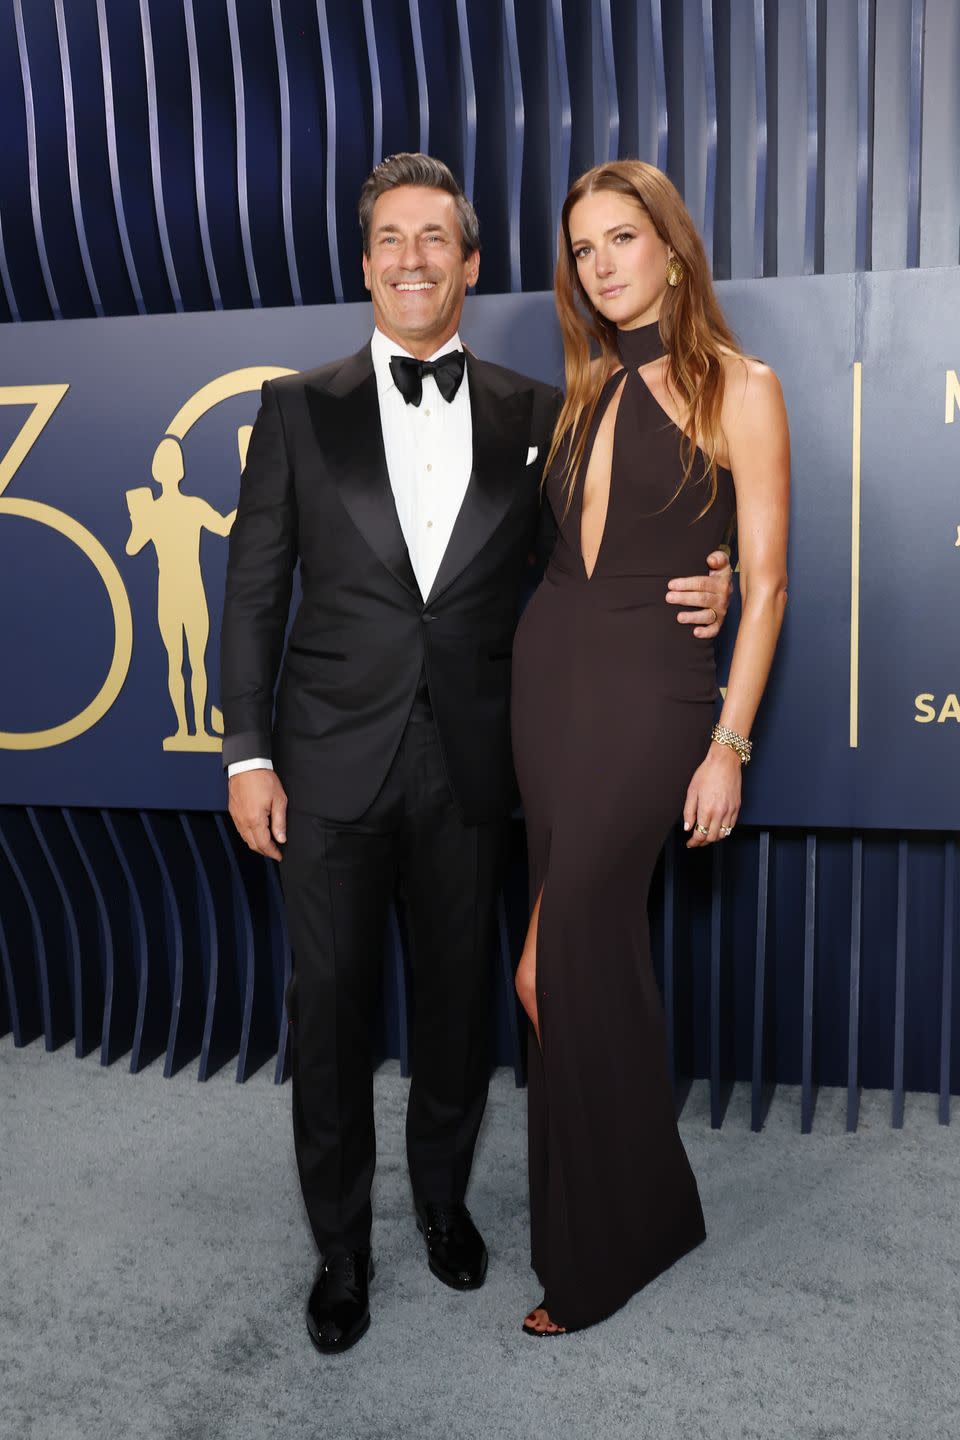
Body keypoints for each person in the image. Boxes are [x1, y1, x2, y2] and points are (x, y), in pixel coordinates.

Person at [220, 153, 734, 1355]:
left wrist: (717, 576)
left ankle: (444, 1207)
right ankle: (341, 1250)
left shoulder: (541, 412)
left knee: (457, 1010)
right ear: (366, 263)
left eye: (435, 239)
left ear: (473, 261)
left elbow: (608, 554)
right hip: (327, 765)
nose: (412, 258)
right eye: (390, 239)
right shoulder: (297, 408)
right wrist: (246, 751)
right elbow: (250, 594)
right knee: (333, 1015)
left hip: (482, 760)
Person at [510, 160, 790, 1336]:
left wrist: (729, 740)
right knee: (544, 973)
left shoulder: (741, 385)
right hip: (549, 680)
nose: (604, 263)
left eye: (623, 237)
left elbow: (766, 581)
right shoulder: (578, 389)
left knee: (567, 955)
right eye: (583, 248)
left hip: (654, 696)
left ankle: (597, 1260)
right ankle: (656, 1201)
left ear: (673, 249)